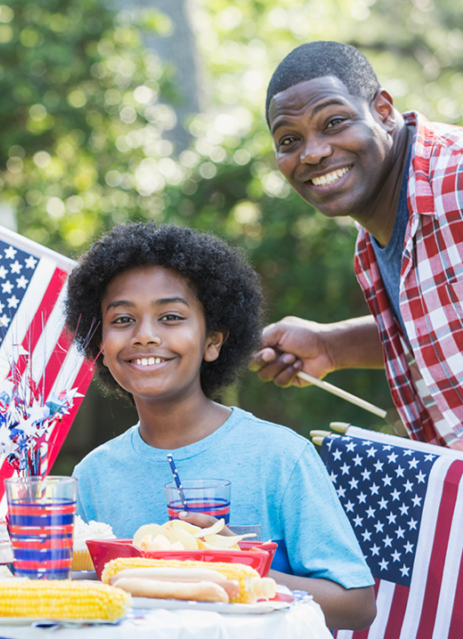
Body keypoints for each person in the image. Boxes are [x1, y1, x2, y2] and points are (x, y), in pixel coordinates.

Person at [64, 222, 376, 631]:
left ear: (213, 341)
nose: (144, 336)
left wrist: (233, 564)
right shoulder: (93, 475)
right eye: (122, 319)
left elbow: (355, 605)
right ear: (100, 347)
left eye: (170, 316)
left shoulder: (280, 457)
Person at [255, 41, 463, 450]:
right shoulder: (372, 235)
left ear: (383, 112)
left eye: (333, 122)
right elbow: (439, 326)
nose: (312, 153)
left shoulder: (454, 184)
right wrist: (329, 347)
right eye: (289, 140)